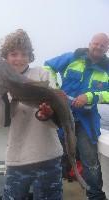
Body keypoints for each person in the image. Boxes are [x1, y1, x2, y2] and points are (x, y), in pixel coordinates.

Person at [0, 29, 63, 200]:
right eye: (14, 54)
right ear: (5, 57)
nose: (19, 58)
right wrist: (1, 93)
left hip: (48, 156)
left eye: (24, 54)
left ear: (30, 56)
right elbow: (3, 121)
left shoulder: (42, 75)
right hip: (18, 158)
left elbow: (57, 118)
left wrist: (48, 114)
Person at [44, 33, 109, 200]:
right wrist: (55, 88)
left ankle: (95, 196)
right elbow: (48, 66)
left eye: (103, 45)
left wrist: (91, 97)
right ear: (90, 44)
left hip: (86, 121)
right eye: (96, 43)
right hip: (61, 115)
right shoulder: (72, 57)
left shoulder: (107, 69)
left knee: (90, 162)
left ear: (107, 48)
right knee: (55, 156)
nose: (98, 47)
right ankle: (52, 193)